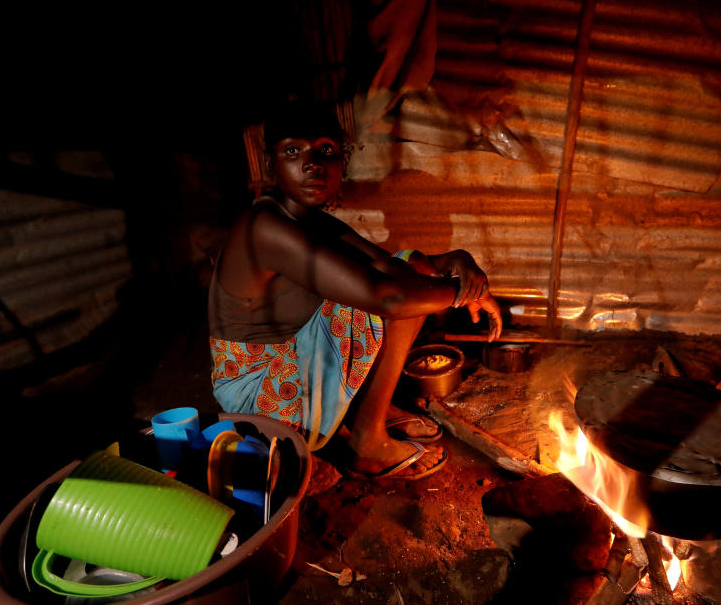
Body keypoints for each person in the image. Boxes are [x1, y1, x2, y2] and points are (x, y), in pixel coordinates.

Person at [208, 100, 502, 481]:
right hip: (259, 398)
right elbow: (389, 297)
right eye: (293, 151)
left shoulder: (310, 221)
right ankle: (366, 440)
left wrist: (452, 259)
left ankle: (368, 412)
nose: (312, 163)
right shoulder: (263, 227)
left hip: (291, 358)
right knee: (392, 295)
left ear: (341, 163)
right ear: (270, 165)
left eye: (325, 150)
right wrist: (463, 293)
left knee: (413, 268)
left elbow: (393, 264)